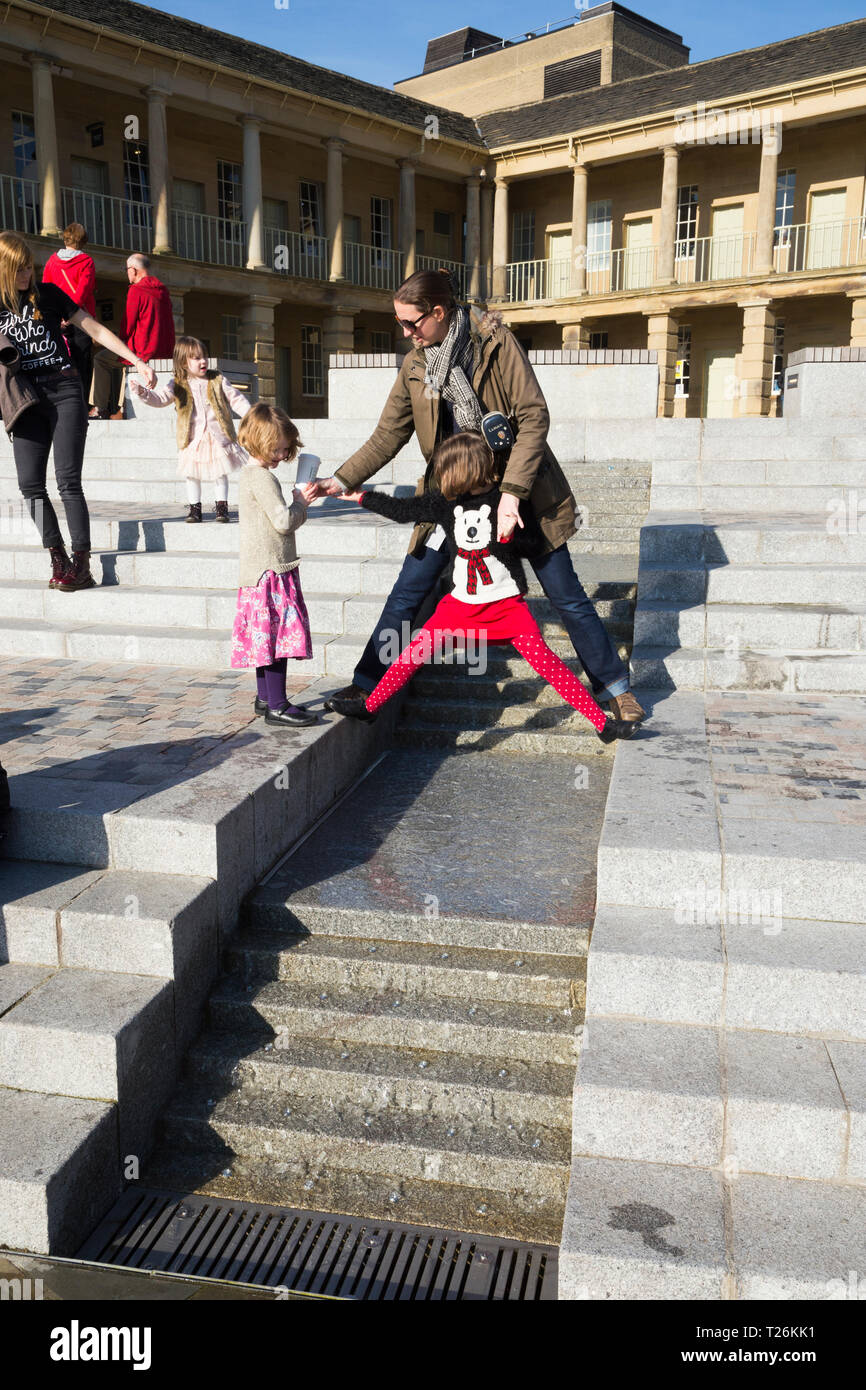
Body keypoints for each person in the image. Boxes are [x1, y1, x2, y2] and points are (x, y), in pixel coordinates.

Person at [316, 268, 645, 726]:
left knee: (567, 596)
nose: (406, 333)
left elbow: (533, 416)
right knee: (408, 591)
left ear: (439, 312)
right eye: (400, 323)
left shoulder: (493, 342)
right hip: (452, 499)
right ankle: (367, 684)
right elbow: (388, 434)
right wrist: (341, 480)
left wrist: (511, 494)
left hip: (522, 496)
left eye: (412, 323)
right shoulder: (416, 364)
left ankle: (616, 690)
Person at [331, 432, 638, 743]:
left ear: (463, 469)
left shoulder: (508, 503)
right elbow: (403, 510)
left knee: (549, 665)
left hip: (507, 609)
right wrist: (361, 497)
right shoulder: (445, 504)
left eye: (444, 470)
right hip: (458, 609)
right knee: (411, 655)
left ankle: (602, 725)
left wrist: (511, 535)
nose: (441, 476)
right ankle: (370, 707)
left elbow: (534, 544)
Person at [0, 230, 156, 591]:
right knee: (29, 485)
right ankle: (58, 558)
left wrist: (137, 360)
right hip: (25, 399)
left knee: (68, 480)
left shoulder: (49, 295)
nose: (27, 274)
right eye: (19, 269)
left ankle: (82, 564)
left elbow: (95, 328)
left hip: (64, 389)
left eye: (29, 267)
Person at [230, 402, 319, 727]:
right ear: (260, 443)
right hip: (271, 571)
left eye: (286, 449)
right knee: (278, 638)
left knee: (263, 637)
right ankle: (278, 705)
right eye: (278, 449)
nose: (283, 455)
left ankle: (265, 698)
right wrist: (301, 503)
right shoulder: (262, 478)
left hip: (258, 570)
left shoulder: (251, 475)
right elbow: (283, 521)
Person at [130, 335, 251, 522]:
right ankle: (195, 508)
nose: (202, 361)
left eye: (204, 356)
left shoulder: (217, 379)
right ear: (184, 363)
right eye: (196, 358)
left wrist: (250, 414)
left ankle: (222, 507)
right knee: (192, 475)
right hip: (192, 439)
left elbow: (235, 398)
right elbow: (160, 399)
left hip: (217, 436)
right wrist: (143, 393)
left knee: (220, 472)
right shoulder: (178, 383)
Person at [90, 252, 175, 419]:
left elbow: (128, 325)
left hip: (142, 350)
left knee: (101, 359)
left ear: (134, 270)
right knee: (117, 360)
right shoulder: (163, 291)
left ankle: (101, 408)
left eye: (127, 269)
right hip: (164, 350)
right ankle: (120, 409)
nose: (127, 273)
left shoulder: (136, 290)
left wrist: (118, 340)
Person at [42, 221, 96, 398]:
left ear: (65, 239)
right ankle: (82, 402)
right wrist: (70, 314)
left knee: (60, 362)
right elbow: (84, 289)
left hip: (57, 320)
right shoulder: (86, 261)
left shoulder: (52, 261)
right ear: (83, 241)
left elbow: (45, 289)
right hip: (81, 320)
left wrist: (58, 316)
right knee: (83, 363)